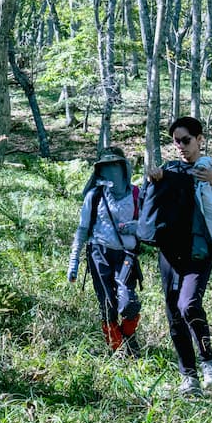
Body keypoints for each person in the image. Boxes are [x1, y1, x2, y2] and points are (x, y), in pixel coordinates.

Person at [142, 116, 212, 396]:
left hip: (201, 249)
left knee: (189, 305)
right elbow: (151, 203)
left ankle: (208, 362)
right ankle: (189, 376)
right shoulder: (170, 169)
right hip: (170, 252)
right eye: (176, 142)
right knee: (174, 312)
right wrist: (152, 180)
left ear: (199, 139)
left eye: (186, 140)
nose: (181, 146)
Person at [67, 147, 143, 354]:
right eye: (106, 167)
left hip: (126, 255)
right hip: (98, 253)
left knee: (128, 303)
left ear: (124, 168)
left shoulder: (137, 195)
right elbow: (82, 229)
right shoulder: (94, 196)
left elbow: (150, 225)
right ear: (99, 170)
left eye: (115, 166)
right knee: (107, 303)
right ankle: (117, 350)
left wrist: (136, 227)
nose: (111, 172)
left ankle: (128, 335)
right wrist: (74, 261)